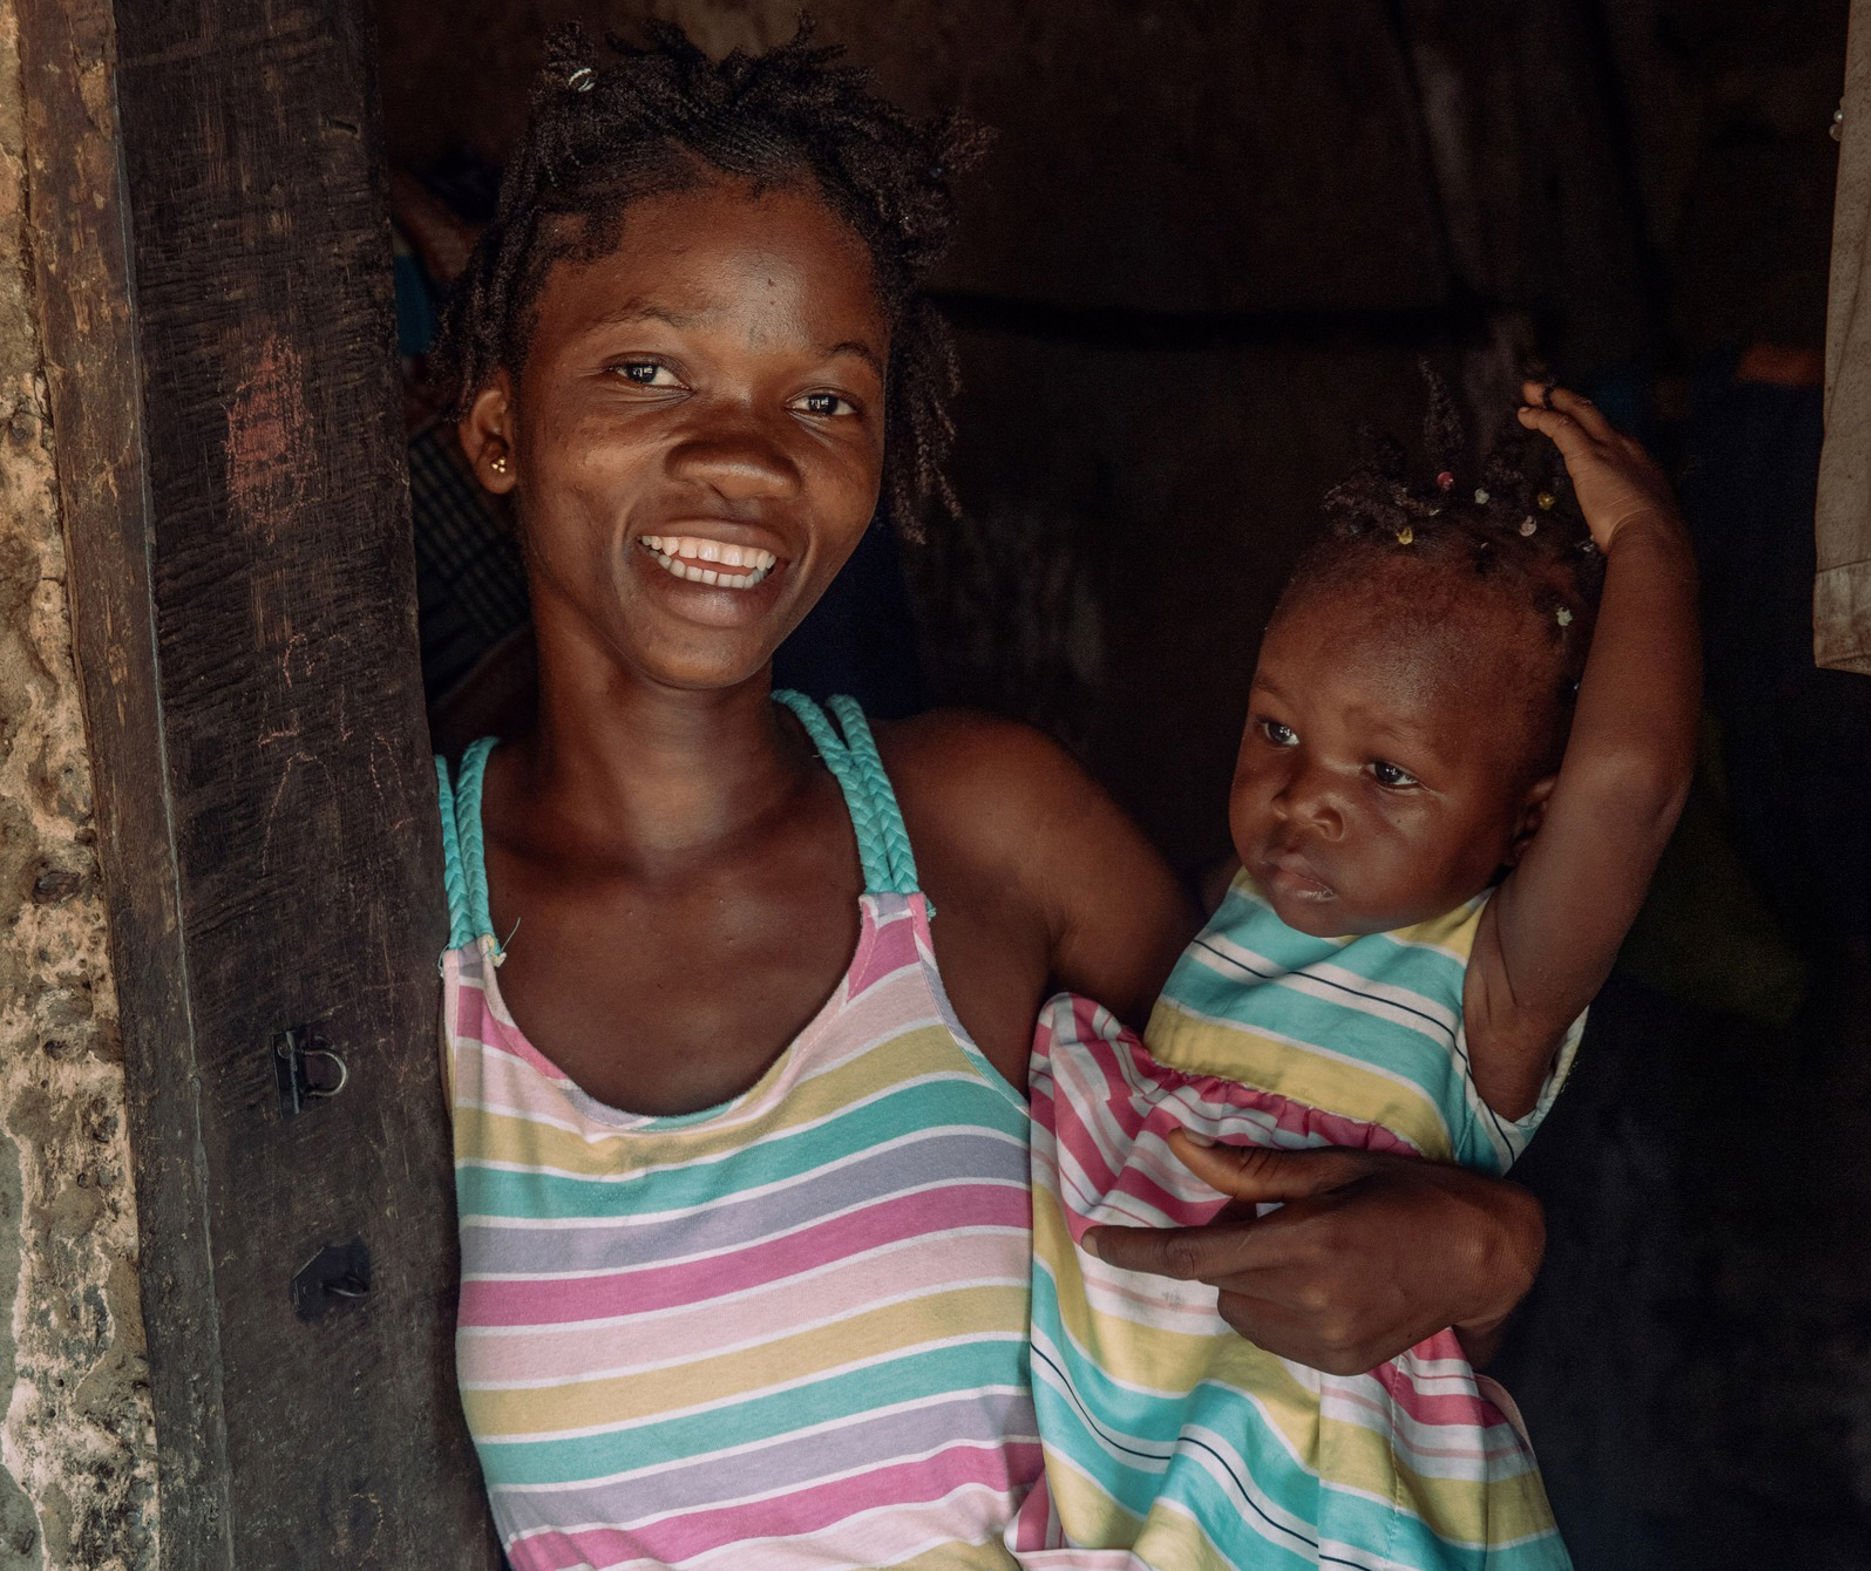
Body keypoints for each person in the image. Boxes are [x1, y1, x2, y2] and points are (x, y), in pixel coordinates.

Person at [429, 23, 1554, 1570]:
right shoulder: (402, 924)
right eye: (646, 369)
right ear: (497, 426)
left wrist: (1488, 1246)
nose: (743, 455)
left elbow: (1316, 1200)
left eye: (824, 400)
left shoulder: (987, 832)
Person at [1013, 378, 1700, 1569]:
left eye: (1388, 773)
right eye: (1279, 730)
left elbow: (1629, 787)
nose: (1307, 797)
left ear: (1526, 822)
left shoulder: (1495, 985)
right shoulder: (1233, 898)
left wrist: (1646, 542)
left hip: (1303, 1444)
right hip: (1112, 1391)